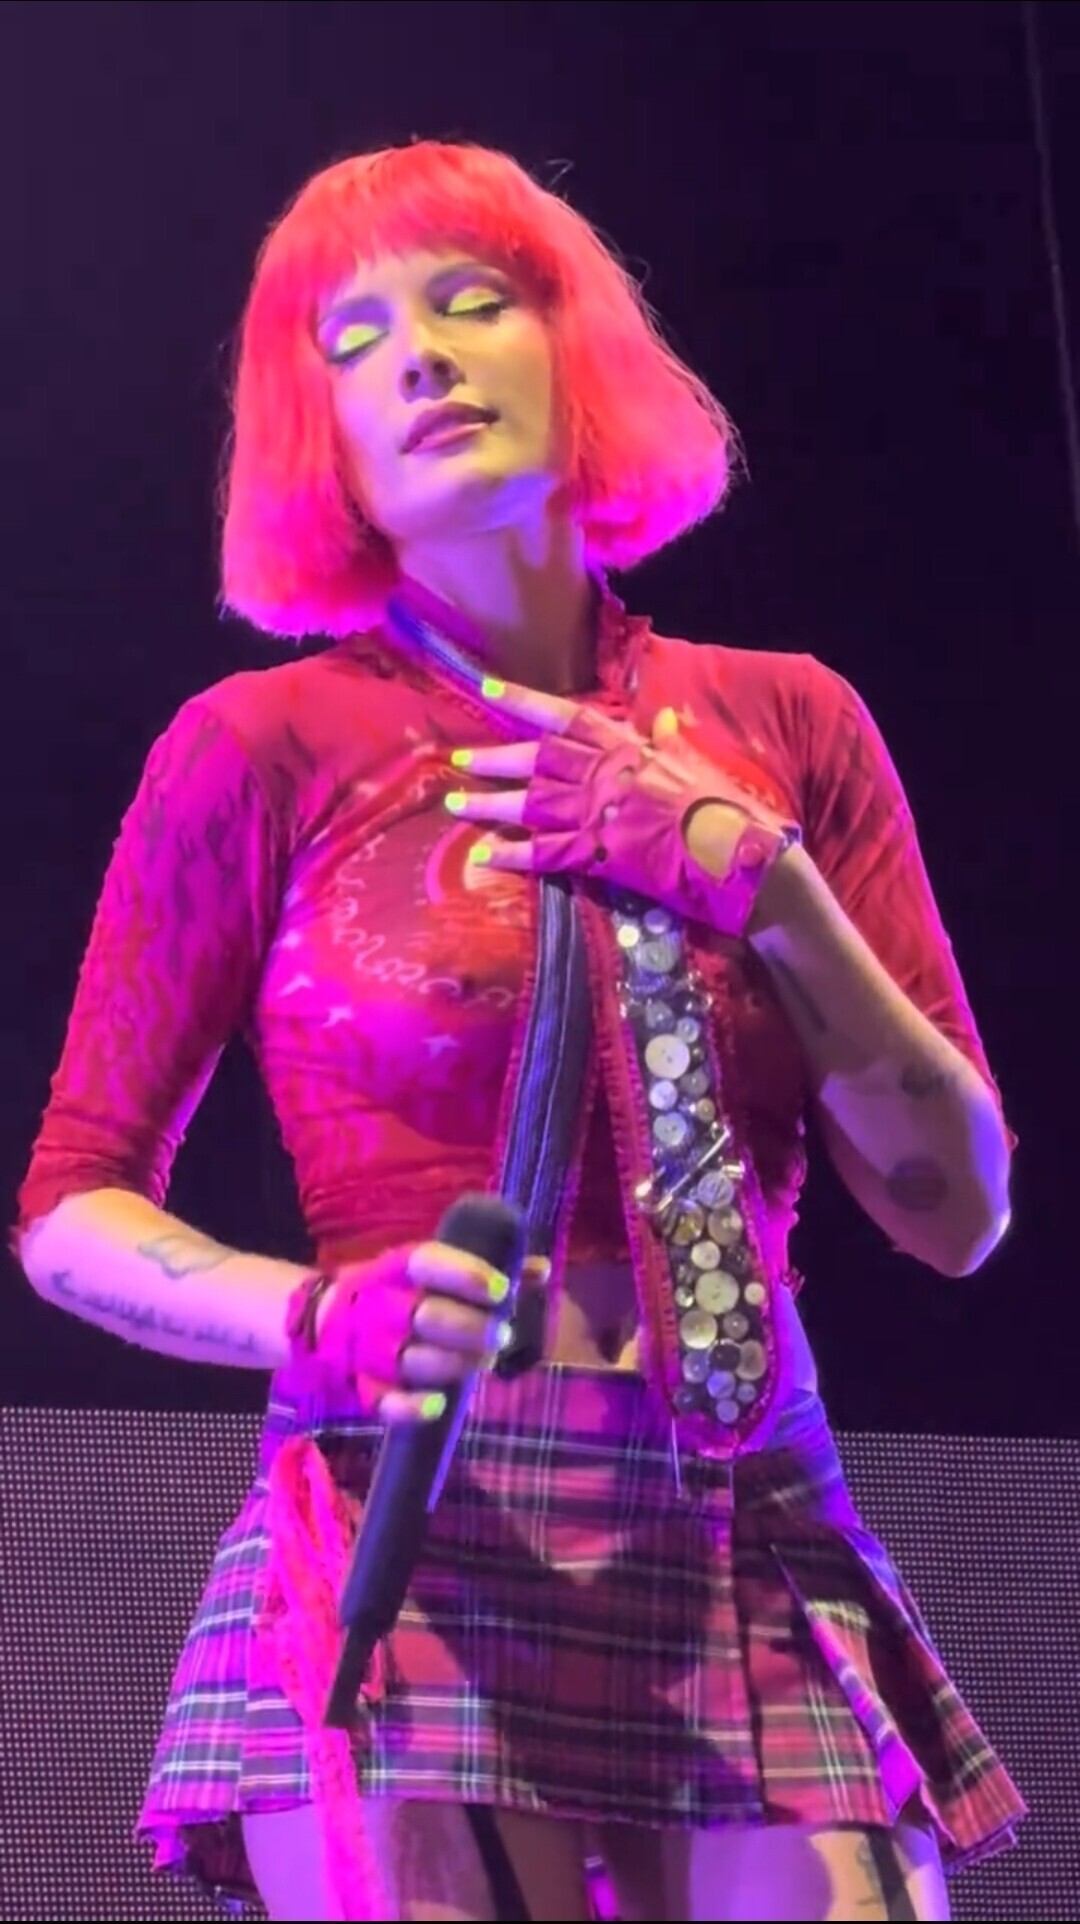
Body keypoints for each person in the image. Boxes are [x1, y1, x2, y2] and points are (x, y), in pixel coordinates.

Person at [16, 141, 1026, 1923]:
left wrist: (770, 888)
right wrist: (310, 1314)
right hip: (419, 1507)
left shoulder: (787, 721)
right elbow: (68, 1206)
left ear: (580, 351)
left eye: (473, 303)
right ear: (320, 435)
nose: (420, 355)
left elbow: (959, 1212)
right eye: (354, 342)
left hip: (744, 1506)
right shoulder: (262, 746)